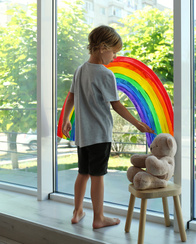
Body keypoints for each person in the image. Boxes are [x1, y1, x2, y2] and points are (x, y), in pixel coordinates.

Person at [61, 25, 154, 229]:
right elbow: (116, 104)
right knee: (97, 176)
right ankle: (99, 218)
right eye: (114, 52)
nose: (114, 57)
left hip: (83, 135)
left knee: (82, 173)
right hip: (100, 134)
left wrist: (66, 119)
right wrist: (137, 122)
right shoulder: (105, 74)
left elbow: (71, 97)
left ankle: (77, 212)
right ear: (103, 47)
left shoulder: (80, 70)